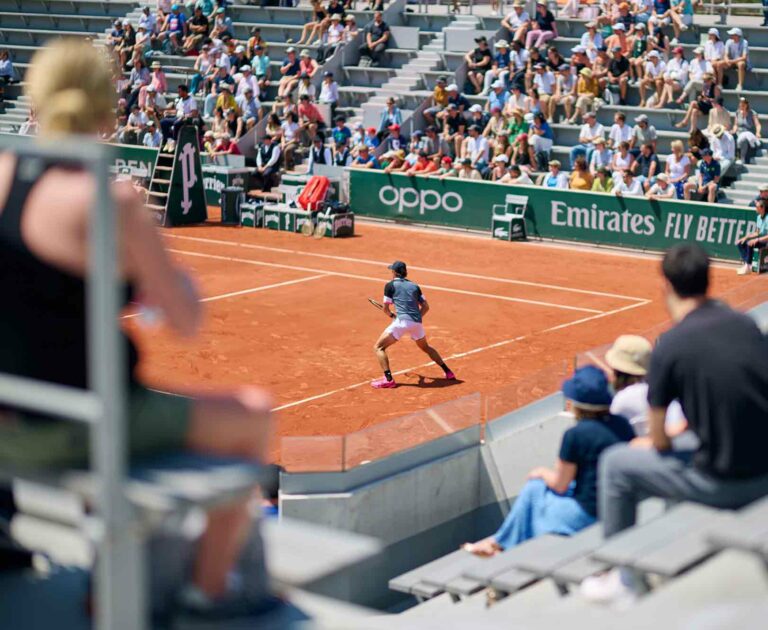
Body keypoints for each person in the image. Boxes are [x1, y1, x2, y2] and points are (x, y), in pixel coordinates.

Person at [0, 39, 273, 618]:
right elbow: (185, 320)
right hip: (76, 426)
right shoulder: (112, 198)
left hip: (6, 416)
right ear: (108, 110)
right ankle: (208, 590)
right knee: (253, 416)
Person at [583, 244, 768, 603]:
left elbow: (659, 440)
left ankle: (622, 578)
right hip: (765, 471)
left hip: (728, 483)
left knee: (616, 464)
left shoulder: (671, 344)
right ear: (708, 281)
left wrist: (652, 441)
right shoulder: (746, 325)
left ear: (666, 285)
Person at [462, 366, 634, 556]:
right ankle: (500, 542)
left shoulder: (576, 435)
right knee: (537, 491)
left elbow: (560, 484)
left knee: (535, 488)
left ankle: (502, 544)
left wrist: (542, 473)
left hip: (589, 514)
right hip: (619, 506)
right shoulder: (622, 425)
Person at [371, 262, 455, 389]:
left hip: (401, 322)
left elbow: (386, 309)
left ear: (394, 272)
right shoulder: (414, 286)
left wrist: (392, 316)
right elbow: (426, 307)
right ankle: (448, 372)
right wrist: (415, 319)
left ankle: (388, 379)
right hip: (416, 322)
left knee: (379, 347)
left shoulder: (390, 285)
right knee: (426, 347)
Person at [735, 199, 768, 275]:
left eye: (757, 207)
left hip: (765, 240)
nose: (756, 208)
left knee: (750, 243)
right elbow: (757, 232)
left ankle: (748, 266)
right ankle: (747, 265)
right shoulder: (759, 217)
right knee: (740, 243)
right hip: (760, 239)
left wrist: (756, 240)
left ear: (762, 208)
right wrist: (745, 237)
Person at [715, 27, 750, 92]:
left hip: (739, 61)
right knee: (719, 64)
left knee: (741, 64)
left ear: (737, 36)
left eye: (733, 34)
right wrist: (727, 60)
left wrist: (732, 61)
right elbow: (726, 54)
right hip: (731, 61)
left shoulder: (744, 42)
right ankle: (720, 84)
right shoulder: (729, 41)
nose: (731, 36)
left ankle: (740, 85)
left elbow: (744, 57)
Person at [732, 97, 762, 165]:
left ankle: (741, 158)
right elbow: (735, 125)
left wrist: (758, 132)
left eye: (743, 105)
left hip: (748, 132)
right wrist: (734, 130)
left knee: (744, 140)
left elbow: (758, 125)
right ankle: (733, 157)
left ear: (746, 105)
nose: (741, 106)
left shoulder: (752, 113)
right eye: (740, 105)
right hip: (739, 132)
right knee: (731, 137)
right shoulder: (737, 112)